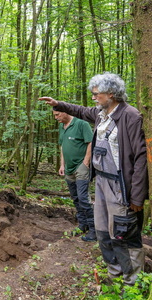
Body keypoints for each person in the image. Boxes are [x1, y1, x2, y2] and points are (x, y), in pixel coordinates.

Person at [40, 72, 148, 285]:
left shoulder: (130, 115)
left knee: (123, 232)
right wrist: (58, 103)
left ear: (111, 94)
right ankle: (114, 274)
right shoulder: (101, 114)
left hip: (121, 186)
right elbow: (80, 110)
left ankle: (132, 283)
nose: (93, 98)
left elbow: (140, 158)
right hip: (101, 183)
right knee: (102, 231)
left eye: (96, 94)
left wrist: (137, 197)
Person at [53, 110, 96, 242]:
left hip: (81, 167)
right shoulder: (62, 126)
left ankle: (94, 229)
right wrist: (62, 165)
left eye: (58, 114)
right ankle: (83, 225)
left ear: (65, 112)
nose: (56, 118)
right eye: (54, 115)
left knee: (83, 197)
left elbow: (90, 142)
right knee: (75, 197)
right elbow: (63, 146)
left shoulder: (81, 123)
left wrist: (86, 162)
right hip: (68, 168)